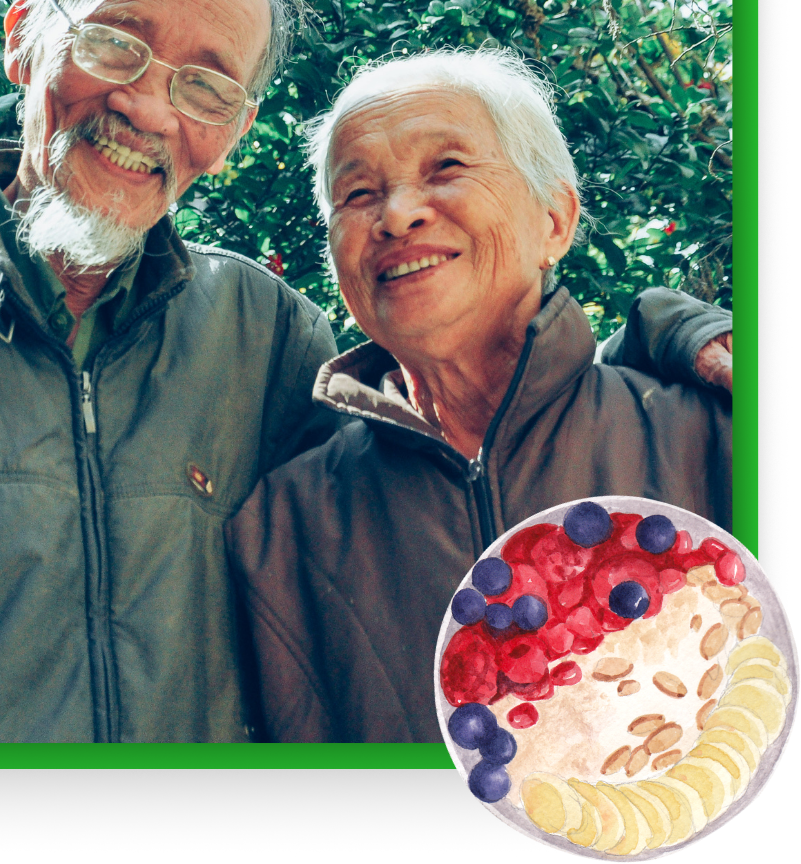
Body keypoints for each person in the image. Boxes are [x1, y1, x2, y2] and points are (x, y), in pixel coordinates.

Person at [0, 0, 729, 744]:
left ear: (235, 128)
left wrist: (668, 328)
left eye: (205, 84)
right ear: (23, 38)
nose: (147, 106)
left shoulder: (263, 335)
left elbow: (481, 443)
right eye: (114, 41)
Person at [226, 47, 733, 743]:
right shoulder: (282, 528)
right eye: (359, 194)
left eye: (448, 168)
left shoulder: (713, 436)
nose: (398, 215)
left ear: (553, 221)